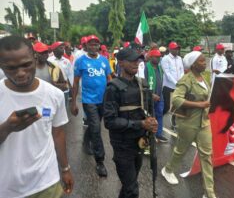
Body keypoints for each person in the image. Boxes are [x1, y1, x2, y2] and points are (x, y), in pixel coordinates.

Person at [0, 35, 74, 198]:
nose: (20, 73)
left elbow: (58, 133)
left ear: (35, 58)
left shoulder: (55, 95)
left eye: (26, 65)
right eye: (11, 68)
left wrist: (65, 169)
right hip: (7, 189)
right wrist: (7, 128)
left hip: (47, 183)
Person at [103, 48, 158, 198]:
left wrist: (152, 122)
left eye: (138, 60)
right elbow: (109, 121)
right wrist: (140, 124)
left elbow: (147, 110)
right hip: (122, 146)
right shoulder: (113, 88)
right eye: (132, 60)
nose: (136, 63)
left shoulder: (142, 84)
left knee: (129, 185)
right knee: (132, 189)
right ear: (121, 62)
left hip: (139, 142)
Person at [161, 51, 217, 198]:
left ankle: (209, 193)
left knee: (207, 156)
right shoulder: (186, 79)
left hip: (204, 123)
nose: (205, 63)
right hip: (188, 123)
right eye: (202, 61)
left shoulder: (204, 78)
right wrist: (200, 104)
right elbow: (177, 100)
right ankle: (167, 170)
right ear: (193, 65)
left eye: (205, 61)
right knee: (180, 151)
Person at [71, 34, 112, 177]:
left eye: (96, 44)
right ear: (86, 46)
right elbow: (75, 82)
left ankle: (86, 141)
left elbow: (109, 79)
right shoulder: (80, 61)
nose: (94, 47)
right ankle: (100, 161)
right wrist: (73, 102)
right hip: (89, 100)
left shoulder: (104, 60)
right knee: (96, 127)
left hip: (103, 100)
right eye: (91, 44)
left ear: (99, 46)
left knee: (94, 126)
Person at [144, 49, 167, 142]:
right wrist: (151, 94)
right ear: (151, 57)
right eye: (156, 57)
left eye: (159, 57)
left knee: (160, 114)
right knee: (150, 116)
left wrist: (159, 94)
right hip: (149, 96)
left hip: (159, 95)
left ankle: (158, 134)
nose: (158, 59)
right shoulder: (146, 67)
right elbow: (143, 82)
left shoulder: (160, 67)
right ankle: (149, 135)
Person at [161, 41, 184, 115]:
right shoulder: (166, 59)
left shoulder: (179, 58)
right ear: (170, 49)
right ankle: (159, 117)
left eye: (177, 48)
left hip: (178, 85)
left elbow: (182, 70)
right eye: (174, 49)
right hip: (168, 86)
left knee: (178, 105)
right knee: (166, 107)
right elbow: (167, 73)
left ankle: (174, 121)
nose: (176, 50)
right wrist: (176, 82)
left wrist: (180, 81)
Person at [48, 41, 74, 108]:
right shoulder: (49, 61)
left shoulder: (66, 61)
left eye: (63, 48)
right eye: (61, 48)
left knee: (64, 108)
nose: (63, 49)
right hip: (53, 89)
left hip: (64, 89)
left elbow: (70, 75)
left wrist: (71, 88)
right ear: (54, 50)